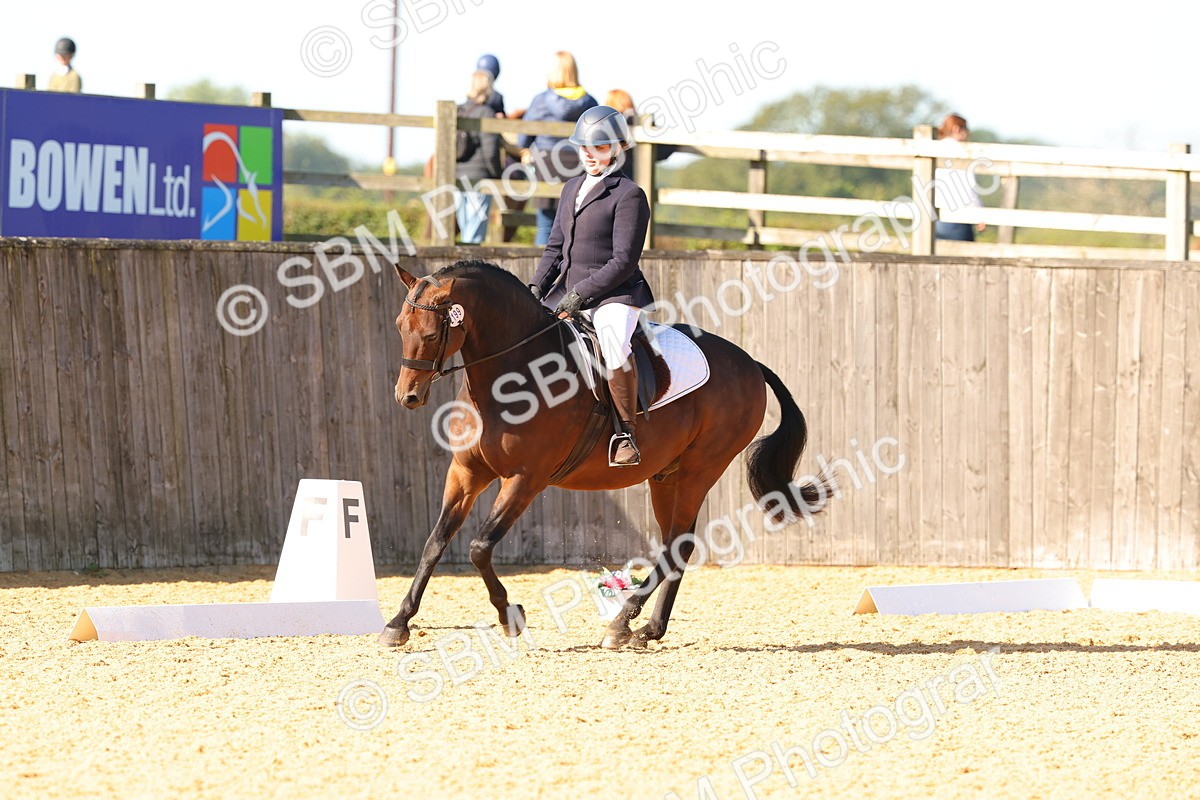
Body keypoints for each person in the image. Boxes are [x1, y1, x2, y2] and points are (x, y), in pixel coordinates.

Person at [528, 106, 652, 466]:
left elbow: (623, 261)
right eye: (584, 148)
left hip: (614, 294)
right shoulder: (571, 188)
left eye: (598, 149)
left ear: (616, 148)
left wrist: (581, 294)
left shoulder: (629, 195)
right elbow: (555, 247)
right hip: (566, 290)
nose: (590, 156)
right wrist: (536, 287)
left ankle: (625, 433)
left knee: (613, 345)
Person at [518, 51, 597, 244]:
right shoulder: (590, 102)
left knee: (545, 225)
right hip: (578, 165)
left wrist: (525, 148)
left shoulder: (541, 101)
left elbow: (523, 139)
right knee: (575, 225)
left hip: (547, 164)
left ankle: (543, 271)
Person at [455, 70, 503, 244]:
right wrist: (498, 174)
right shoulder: (486, 113)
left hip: (458, 177)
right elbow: (491, 151)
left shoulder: (458, 110)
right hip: (480, 178)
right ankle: (469, 270)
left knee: (466, 230)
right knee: (474, 236)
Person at [933, 113, 986, 242]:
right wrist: (980, 214)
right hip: (959, 215)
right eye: (966, 129)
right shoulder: (962, 152)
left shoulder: (935, 149)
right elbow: (968, 187)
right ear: (957, 129)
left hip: (937, 216)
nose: (968, 133)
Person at [603, 89, 677, 180]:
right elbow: (664, 150)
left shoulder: (605, 126)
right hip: (638, 180)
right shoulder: (643, 123)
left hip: (611, 181)